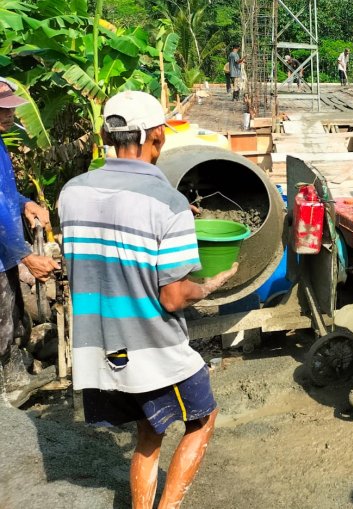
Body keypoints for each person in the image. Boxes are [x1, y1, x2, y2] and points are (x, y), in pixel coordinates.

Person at [58, 90, 239, 509]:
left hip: (98, 345)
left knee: (149, 430)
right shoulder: (167, 203)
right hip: (150, 347)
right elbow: (173, 296)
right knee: (203, 416)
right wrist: (210, 285)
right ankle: (169, 505)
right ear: (156, 136)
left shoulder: (72, 192)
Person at [0, 77, 59, 407]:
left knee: (11, 315)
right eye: (3, 111)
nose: (10, 116)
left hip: (6, 251)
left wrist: (25, 203)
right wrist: (26, 256)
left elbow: (5, 195)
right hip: (4, 249)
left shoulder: (0, 144)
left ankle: (14, 380)